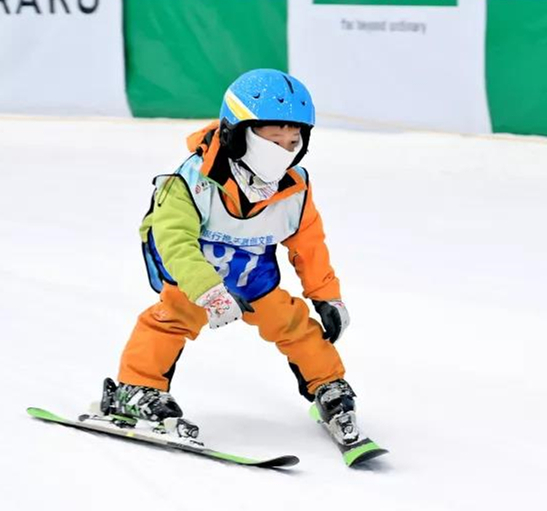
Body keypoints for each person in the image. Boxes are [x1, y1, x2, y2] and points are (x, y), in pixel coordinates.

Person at [103, 69, 359, 445]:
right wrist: (208, 291)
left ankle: (329, 387)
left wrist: (327, 296)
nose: (285, 151)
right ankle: (135, 389)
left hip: (250, 276)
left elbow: (310, 245)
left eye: (294, 141)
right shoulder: (190, 182)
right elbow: (174, 241)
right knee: (171, 318)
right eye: (273, 141)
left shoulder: (295, 189)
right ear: (236, 135)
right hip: (195, 277)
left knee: (293, 324)